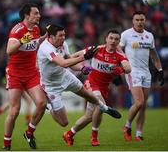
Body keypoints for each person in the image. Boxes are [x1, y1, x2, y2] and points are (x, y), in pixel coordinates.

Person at [37, 25, 122, 136]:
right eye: (60, 35)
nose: (63, 38)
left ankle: (104, 108)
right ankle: (50, 106)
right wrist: (84, 57)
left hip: (65, 76)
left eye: (64, 35)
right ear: (52, 37)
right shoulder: (46, 48)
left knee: (87, 95)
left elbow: (69, 62)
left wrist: (82, 68)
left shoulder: (63, 44)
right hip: (51, 85)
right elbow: (63, 63)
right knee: (64, 122)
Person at [63, 30, 131, 146]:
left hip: (104, 88)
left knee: (89, 116)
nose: (113, 41)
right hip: (91, 83)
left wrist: (122, 69)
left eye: (116, 39)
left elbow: (128, 68)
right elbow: (76, 55)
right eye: (111, 38)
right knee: (101, 105)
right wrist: (66, 59)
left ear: (119, 41)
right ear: (106, 39)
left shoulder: (119, 56)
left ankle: (69, 133)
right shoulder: (97, 49)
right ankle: (94, 137)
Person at [3, 3, 47, 150]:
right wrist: (22, 40)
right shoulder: (17, 30)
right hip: (15, 74)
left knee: (41, 103)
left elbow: (34, 43)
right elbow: (9, 51)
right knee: (15, 111)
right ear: (27, 16)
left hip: (31, 73)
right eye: (36, 13)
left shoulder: (35, 29)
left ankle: (29, 132)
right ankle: (7, 145)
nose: (39, 16)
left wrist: (44, 38)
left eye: (39, 13)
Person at [119, 11, 164, 141]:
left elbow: (154, 54)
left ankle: (139, 133)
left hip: (146, 72)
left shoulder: (149, 36)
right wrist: (120, 68)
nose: (139, 22)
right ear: (133, 21)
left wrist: (160, 69)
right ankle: (127, 126)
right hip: (132, 71)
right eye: (137, 19)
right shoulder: (126, 35)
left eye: (142, 19)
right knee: (139, 102)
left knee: (143, 105)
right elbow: (118, 51)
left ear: (145, 21)